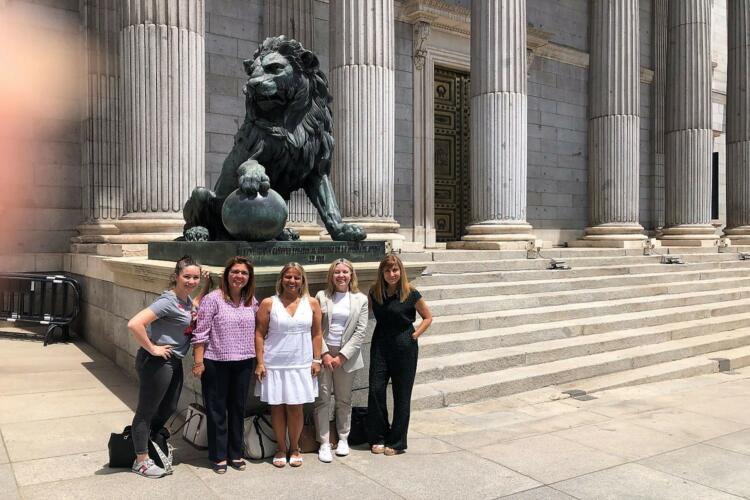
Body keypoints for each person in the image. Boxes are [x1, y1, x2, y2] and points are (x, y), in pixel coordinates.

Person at [127, 255, 210, 478]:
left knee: (169, 406)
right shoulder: (169, 300)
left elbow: (194, 309)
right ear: (176, 276)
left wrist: (207, 286)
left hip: (173, 361)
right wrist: (153, 348)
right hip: (156, 361)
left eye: (195, 277)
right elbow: (135, 323)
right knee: (147, 410)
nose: (192, 281)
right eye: (187, 277)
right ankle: (141, 460)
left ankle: (150, 441)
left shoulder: (186, 301)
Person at [192, 256, 258, 474]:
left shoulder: (251, 301)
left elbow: (260, 328)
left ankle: (235, 452)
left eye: (244, 273)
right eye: (235, 272)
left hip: (244, 362)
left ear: (249, 278)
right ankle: (218, 455)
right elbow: (200, 332)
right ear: (227, 274)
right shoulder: (213, 299)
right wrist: (198, 361)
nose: (239, 276)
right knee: (217, 409)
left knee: (238, 408)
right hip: (215, 361)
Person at [255, 262, 322, 468]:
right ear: (281, 279)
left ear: (302, 281)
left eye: (296, 277)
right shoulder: (268, 303)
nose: (292, 281)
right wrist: (260, 362)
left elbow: (317, 334)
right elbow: (259, 333)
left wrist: (316, 359)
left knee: (295, 407)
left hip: (301, 363)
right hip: (274, 363)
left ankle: (294, 447)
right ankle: (280, 448)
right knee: (277, 407)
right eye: (288, 277)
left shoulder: (311, 303)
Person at [367, 254, 432, 456]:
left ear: (400, 271)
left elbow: (428, 317)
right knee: (376, 390)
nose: (392, 274)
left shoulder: (410, 293)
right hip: (380, 344)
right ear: (382, 273)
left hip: (404, 345)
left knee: (402, 394)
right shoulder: (375, 292)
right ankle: (378, 435)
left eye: (395, 270)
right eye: (387, 270)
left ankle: (396, 442)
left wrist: (414, 335)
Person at [313, 258, 369, 463]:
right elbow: (316, 327)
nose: (341, 276)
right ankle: (324, 442)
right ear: (331, 275)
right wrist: (325, 353)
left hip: (348, 356)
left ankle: (343, 438)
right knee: (322, 400)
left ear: (351, 274)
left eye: (345, 272)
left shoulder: (360, 299)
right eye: (337, 272)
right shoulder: (321, 296)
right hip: (324, 353)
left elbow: (361, 331)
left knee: (344, 399)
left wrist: (342, 355)